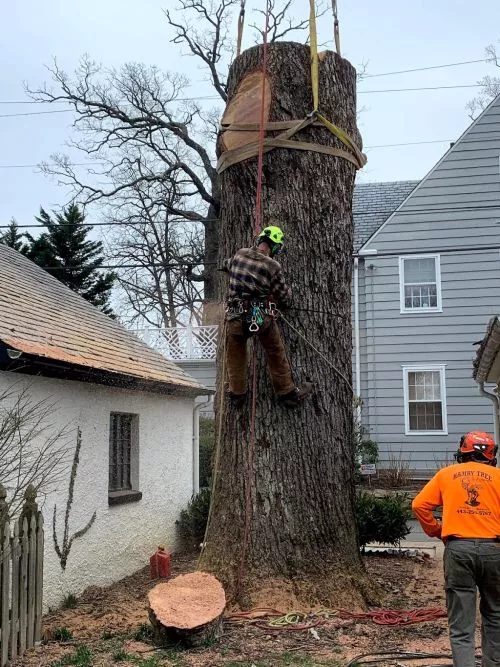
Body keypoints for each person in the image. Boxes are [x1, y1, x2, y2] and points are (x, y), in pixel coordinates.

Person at [412, 431, 500, 667]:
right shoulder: (499, 477)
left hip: (458, 549)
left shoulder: (446, 475)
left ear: (463, 451)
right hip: (494, 548)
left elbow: (419, 505)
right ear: (491, 455)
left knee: (461, 624)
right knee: (495, 615)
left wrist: (436, 530)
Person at [221, 225, 312, 408]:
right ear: (276, 247)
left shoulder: (239, 254)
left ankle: (237, 394)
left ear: (260, 239)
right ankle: (287, 393)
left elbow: (226, 264)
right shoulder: (272, 266)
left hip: (235, 317)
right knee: (275, 351)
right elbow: (284, 298)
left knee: (235, 354)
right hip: (259, 317)